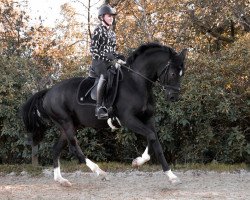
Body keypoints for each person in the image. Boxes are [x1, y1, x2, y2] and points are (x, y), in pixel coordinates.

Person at [90, 4, 124, 119]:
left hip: (109, 62)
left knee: (120, 73)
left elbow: (113, 51)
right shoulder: (98, 30)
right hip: (98, 62)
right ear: (102, 17)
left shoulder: (113, 34)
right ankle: (98, 108)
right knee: (104, 75)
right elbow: (93, 50)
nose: (111, 18)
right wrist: (107, 57)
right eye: (109, 16)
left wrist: (118, 57)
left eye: (112, 17)